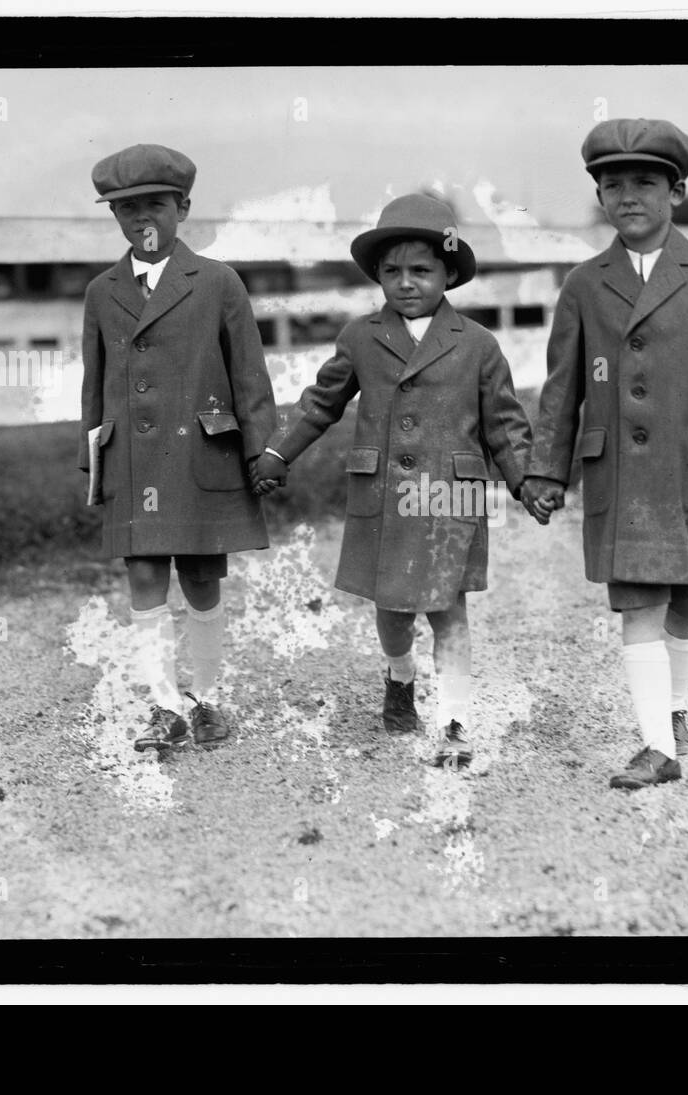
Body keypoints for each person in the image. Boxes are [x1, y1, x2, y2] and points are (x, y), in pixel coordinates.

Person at [521, 118, 688, 790]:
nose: (628, 195)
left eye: (645, 182)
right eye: (613, 183)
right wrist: (546, 468)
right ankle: (658, 746)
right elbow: (561, 386)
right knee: (638, 603)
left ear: (677, 190)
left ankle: (676, 707)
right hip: (620, 473)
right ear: (600, 195)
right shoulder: (582, 284)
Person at [252, 194, 531, 769]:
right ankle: (400, 675)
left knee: (449, 607)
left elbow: (506, 425)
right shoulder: (360, 337)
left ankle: (456, 718)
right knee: (392, 606)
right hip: (382, 494)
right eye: (393, 271)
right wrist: (279, 451)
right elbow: (320, 403)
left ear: (449, 273)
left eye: (422, 270)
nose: (406, 283)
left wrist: (530, 482)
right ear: (377, 275)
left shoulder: (478, 344)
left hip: (449, 497)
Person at [78, 143, 276, 752]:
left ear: (183, 207)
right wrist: (93, 464)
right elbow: (94, 382)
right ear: (114, 217)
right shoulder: (101, 291)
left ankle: (208, 697)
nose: (143, 219)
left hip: (200, 456)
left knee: (200, 574)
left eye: (156, 205)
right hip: (132, 462)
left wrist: (264, 450)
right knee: (142, 574)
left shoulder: (217, 283)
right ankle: (163, 707)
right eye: (127, 208)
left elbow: (250, 374)